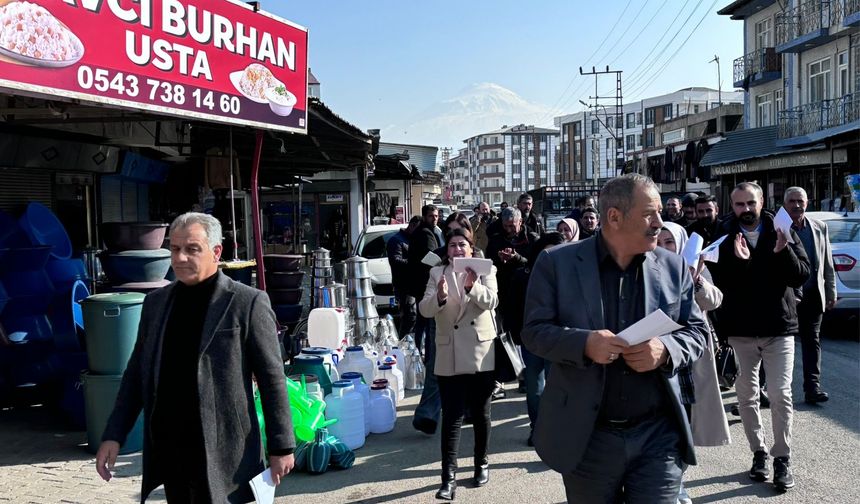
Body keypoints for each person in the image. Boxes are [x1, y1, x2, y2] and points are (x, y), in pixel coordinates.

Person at [521, 173, 708, 504]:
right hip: (588, 438)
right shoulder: (556, 263)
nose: (659, 223)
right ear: (614, 217)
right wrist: (584, 344)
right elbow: (534, 333)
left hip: (657, 436)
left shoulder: (673, 267)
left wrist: (665, 350)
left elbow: (696, 332)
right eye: (650, 213)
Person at [95, 212, 295, 503]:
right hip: (172, 447)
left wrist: (281, 446)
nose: (181, 258)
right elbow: (136, 374)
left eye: (192, 249)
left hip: (227, 451)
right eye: (175, 249)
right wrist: (114, 434)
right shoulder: (156, 303)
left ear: (216, 252)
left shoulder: (246, 302)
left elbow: (272, 378)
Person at [708, 182, 810, 492]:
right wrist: (739, 263)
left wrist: (782, 252)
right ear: (732, 206)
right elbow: (717, 287)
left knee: (780, 394)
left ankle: (782, 458)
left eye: (750, 203)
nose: (746, 210)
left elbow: (801, 274)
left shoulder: (780, 227)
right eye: (739, 205)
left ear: (761, 201)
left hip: (778, 328)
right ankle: (759, 453)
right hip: (740, 331)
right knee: (747, 397)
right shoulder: (722, 234)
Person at [418, 228, 499, 501]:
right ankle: (448, 477)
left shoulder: (486, 269)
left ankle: (482, 463)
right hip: (449, 351)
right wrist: (439, 297)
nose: (457, 250)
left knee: (480, 414)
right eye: (452, 245)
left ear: (471, 247)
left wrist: (471, 287)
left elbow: (493, 301)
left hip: (480, 351)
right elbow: (424, 309)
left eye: (462, 245)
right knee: (451, 418)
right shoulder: (436, 273)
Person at [657, 222, 731, 504]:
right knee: (664, 425)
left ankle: (677, 484)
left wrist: (696, 281)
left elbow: (715, 300)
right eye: (660, 242)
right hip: (658, 357)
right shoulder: (646, 266)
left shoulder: (693, 267)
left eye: (669, 242)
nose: (664, 248)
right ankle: (672, 487)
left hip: (690, 361)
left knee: (684, 424)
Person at [508, 231, 567, 446]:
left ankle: (557, 429)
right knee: (534, 388)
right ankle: (538, 428)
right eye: (547, 252)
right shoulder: (523, 275)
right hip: (531, 340)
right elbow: (512, 308)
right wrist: (516, 335)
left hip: (560, 339)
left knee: (557, 387)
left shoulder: (570, 275)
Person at [784, 187, 836, 404]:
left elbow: (827, 261)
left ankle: (812, 388)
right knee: (777, 342)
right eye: (792, 201)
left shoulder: (819, 227)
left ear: (807, 203)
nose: (797, 205)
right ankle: (764, 388)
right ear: (784, 204)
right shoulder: (776, 227)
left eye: (801, 201)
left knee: (812, 341)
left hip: (814, 295)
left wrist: (831, 290)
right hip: (785, 297)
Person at [407, 204, 443, 354]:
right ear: (424, 217)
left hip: (418, 283)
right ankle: (427, 354)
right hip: (424, 283)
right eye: (431, 216)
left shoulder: (422, 231)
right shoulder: (426, 233)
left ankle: (418, 350)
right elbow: (431, 257)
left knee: (422, 322)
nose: (435, 219)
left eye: (436, 216)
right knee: (428, 323)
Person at [388, 216, 422, 337]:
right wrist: (416, 262)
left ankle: (412, 344)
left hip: (414, 284)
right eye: (418, 229)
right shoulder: (396, 240)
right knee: (410, 316)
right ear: (412, 225)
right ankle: (403, 344)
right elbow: (396, 260)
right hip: (404, 285)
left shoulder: (414, 239)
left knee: (415, 317)